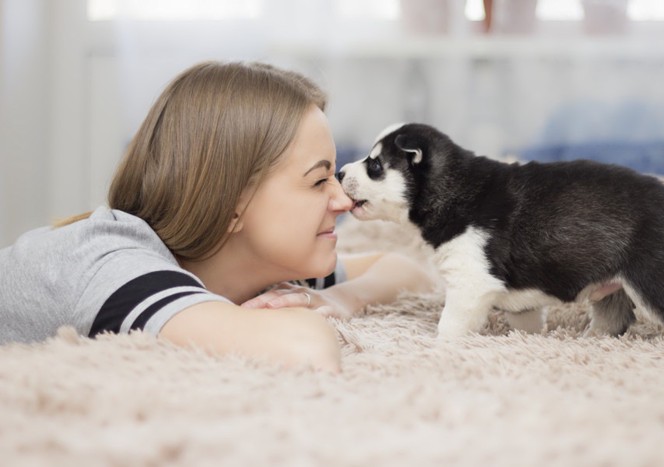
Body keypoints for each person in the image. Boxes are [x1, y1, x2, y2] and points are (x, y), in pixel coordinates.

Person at [0, 61, 434, 372]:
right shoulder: (117, 265)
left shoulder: (248, 264)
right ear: (230, 206)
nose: (343, 201)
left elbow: (403, 270)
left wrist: (337, 299)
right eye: (319, 181)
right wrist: (305, 318)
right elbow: (303, 350)